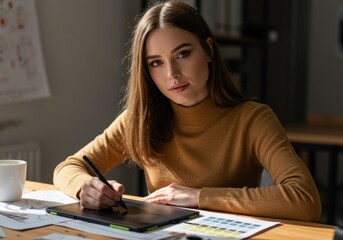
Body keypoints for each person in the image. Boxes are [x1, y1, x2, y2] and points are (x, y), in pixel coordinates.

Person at [54, 0, 321, 222]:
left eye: (182, 54)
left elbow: (304, 199)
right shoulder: (139, 119)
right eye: (156, 63)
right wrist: (84, 188)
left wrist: (198, 196)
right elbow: (69, 167)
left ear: (208, 50)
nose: (172, 74)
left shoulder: (252, 119)